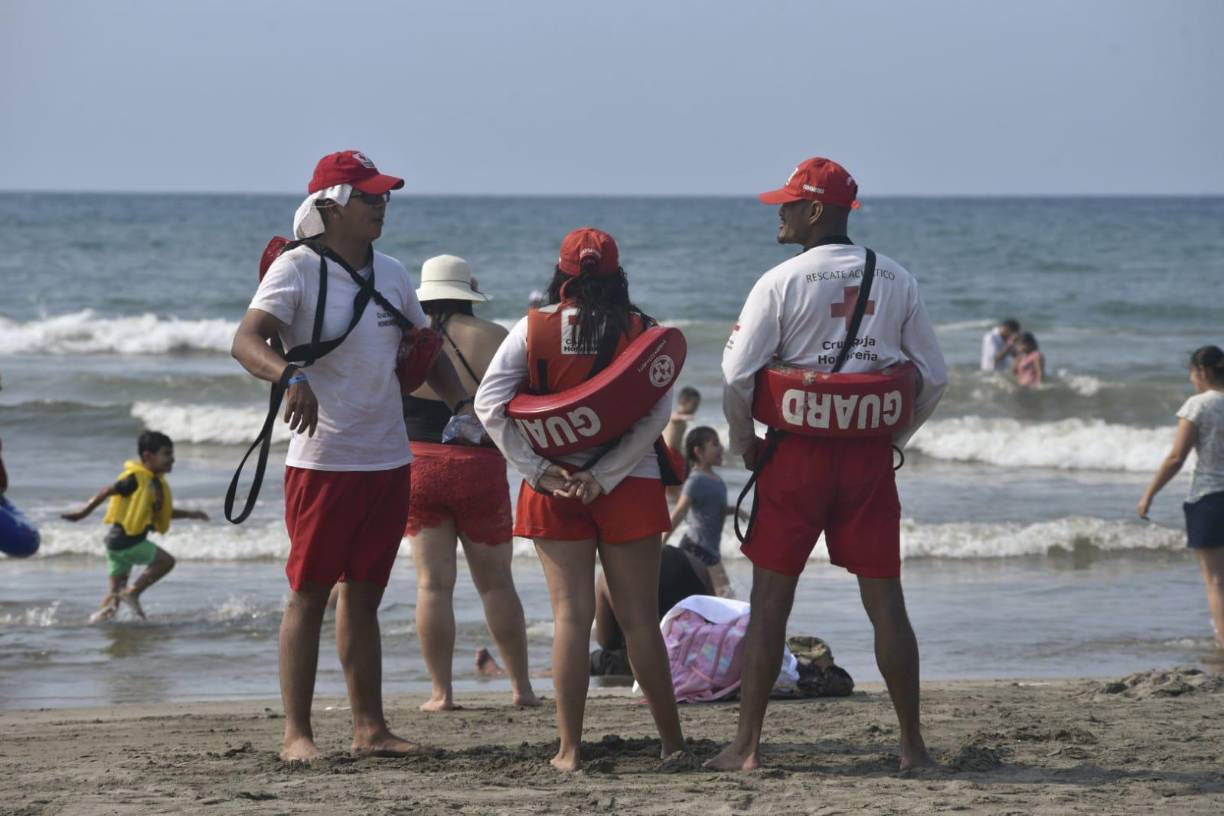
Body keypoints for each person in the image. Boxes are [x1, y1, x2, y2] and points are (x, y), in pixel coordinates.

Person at [230, 150, 475, 763]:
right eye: (369, 197)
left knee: (365, 594)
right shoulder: (296, 269)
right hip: (323, 460)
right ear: (332, 206)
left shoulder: (392, 272)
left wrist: (465, 409)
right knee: (310, 593)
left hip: (388, 460)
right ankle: (297, 736)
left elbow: (429, 351)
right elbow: (245, 340)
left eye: (385, 196)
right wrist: (291, 377)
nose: (381, 205)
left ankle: (371, 729)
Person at [713, 157, 948, 772]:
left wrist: (745, 444)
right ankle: (912, 747)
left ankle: (747, 747)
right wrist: (894, 433)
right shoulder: (896, 278)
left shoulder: (780, 281)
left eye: (788, 203)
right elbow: (935, 377)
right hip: (868, 457)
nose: (779, 211)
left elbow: (736, 375)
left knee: (770, 604)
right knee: (886, 602)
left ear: (815, 211)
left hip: (795, 455)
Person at [475, 227, 689, 771]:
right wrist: (609, 475)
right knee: (640, 619)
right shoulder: (642, 330)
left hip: (555, 485)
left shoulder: (533, 328)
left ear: (563, 275)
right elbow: (657, 415)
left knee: (571, 619)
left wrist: (540, 471)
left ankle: (569, 752)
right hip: (630, 484)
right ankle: (672, 745)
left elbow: (489, 405)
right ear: (618, 275)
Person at [402, 254, 538, 711]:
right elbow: (519, 402)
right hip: (477, 468)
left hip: (417, 467)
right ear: (468, 291)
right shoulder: (495, 336)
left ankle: (441, 693)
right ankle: (522, 689)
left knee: (431, 586)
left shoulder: (403, 339)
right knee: (497, 584)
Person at [61, 431, 208, 621]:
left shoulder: (154, 483)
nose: (172, 459)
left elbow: (163, 512)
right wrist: (83, 512)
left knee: (114, 598)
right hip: (128, 542)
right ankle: (134, 593)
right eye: (167, 454)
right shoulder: (135, 479)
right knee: (166, 562)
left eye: (172, 454)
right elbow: (108, 490)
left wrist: (190, 514)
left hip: (115, 545)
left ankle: (95, 624)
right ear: (148, 456)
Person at [1138, 345, 1224, 651]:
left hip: (1210, 498)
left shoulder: (1198, 405)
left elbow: (1176, 457)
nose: (1192, 380)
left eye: (1192, 374)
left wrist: (1149, 494)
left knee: (1215, 580)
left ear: (1202, 371)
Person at [590, 544, 714, 675]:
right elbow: (715, 618)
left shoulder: (609, 574)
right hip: (697, 655)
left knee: (596, 659)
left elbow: (607, 641)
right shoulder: (695, 563)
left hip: (643, 661)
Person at [663, 426, 740, 596]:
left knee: (715, 596)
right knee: (725, 595)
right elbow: (680, 512)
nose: (721, 448)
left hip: (710, 550)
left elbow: (713, 510)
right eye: (714, 444)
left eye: (719, 443)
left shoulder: (716, 479)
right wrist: (662, 542)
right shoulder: (695, 480)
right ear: (698, 451)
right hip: (696, 549)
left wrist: (734, 511)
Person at [663, 386, 700, 500]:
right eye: (694, 405)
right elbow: (674, 417)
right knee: (674, 484)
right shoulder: (675, 415)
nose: (695, 408)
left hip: (676, 454)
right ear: (682, 401)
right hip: (671, 453)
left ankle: (677, 502)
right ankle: (680, 503)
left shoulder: (679, 418)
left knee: (679, 482)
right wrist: (685, 416)